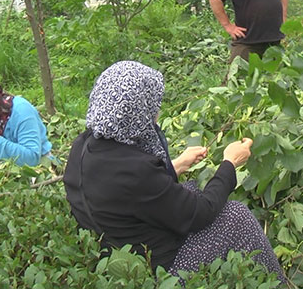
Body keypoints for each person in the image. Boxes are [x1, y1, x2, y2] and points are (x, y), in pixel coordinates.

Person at [63, 61, 285, 284]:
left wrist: (176, 165)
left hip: (115, 250)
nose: (157, 111)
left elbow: (127, 191)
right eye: (151, 104)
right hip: (154, 269)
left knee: (190, 188)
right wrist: (230, 163)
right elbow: (201, 214)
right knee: (237, 217)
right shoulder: (136, 171)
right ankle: (277, 283)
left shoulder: (83, 146)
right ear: (136, 110)